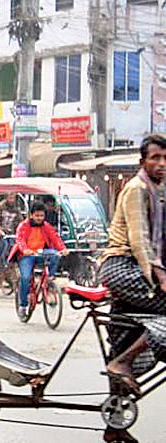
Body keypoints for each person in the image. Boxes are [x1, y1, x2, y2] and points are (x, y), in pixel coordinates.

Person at [100, 135, 166, 427]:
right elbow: (140, 241)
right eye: (155, 158)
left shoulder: (156, 192)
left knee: (123, 336)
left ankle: (115, 420)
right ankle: (123, 362)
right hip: (121, 267)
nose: (161, 164)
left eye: (165, 159)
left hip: (137, 269)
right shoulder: (137, 189)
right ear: (143, 162)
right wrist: (159, 274)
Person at [11, 202, 69, 320]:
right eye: (37, 216)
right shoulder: (23, 226)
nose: (39, 218)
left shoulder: (46, 226)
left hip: (41, 253)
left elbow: (55, 238)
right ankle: (23, 305)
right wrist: (25, 250)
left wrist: (62, 249)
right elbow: (20, 240)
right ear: (31, 215)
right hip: (26, 255)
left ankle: (49, 280)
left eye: (41, 216)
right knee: (25, 278)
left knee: (55, 255)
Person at [0, 193, 22, 285]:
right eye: (10, 197)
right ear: (6, 197)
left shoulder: (16, 209)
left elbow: (20, 222)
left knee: (8, 256)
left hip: (10, 234)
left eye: (13, 198)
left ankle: (4, 277)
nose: (11, 200)